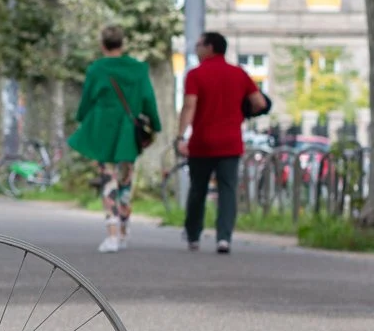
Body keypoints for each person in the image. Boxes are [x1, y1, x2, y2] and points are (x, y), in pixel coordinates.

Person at [68, 25, 161, 253]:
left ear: (102, 44)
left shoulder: (97, 69)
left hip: (102, 130)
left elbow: (87, 99)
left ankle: (111, 233)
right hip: (128, 131)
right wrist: (155, 125)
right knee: (126, 180)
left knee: (108, 180)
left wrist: (81, 118)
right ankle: (124, 229)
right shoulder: (138, 69)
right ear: (123, 43)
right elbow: (148, 98)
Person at [176, 31, 269, 253]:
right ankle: (224, 237)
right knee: (227, 190)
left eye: (199, 45)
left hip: (202, 143)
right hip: (230, 143)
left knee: (198, 189)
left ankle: (193, 235)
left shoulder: (196, 75)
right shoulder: (239, 74)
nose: (196, 49)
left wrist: (181, 136)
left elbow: (190, 106)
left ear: (210, 48)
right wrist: (244, 112)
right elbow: (260, 102)